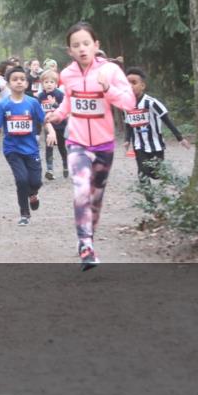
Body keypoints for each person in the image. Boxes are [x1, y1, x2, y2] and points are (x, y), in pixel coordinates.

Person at [46, 22, 136, 270]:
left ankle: (88, 238)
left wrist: (108, 88)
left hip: (104, 145)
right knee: (81, 189)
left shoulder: (110, 71)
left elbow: (129, 103)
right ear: (69, 51)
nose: (82, 49)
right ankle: (85, 245)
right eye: (76, 45)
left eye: (86, 43)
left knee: (95, 198)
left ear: (96, 45)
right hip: (77, 142)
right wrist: (58, 114)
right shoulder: (67, 74)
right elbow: (69, 101)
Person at [0, 67, 56, 226]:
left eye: (22, 79)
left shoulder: (33, 103)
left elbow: (44, 121)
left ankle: (33, 193)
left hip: (31, 149)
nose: (19, 82)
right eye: (15, 79)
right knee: (21, 180)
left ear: (26, 83)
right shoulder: (3, 104)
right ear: (8, 84)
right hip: (12, 149)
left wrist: (51, 132)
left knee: (36, 182)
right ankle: (24, 214)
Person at [123, 67, 191, 184]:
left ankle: (176, 180)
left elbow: (166, 120)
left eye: (134, 83)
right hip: (139, 145)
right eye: (127, 83)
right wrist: (127, 140)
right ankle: (148, 195)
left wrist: (180, 138)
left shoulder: (151, 102)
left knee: (156, 174)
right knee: (142, 173)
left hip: (156, 145)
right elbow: (129, 123)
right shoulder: (125, 104)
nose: (130, 86)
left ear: (142, 86)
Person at [37, 69, 69, 180]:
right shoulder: (41, 96)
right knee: (49, 147)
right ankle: (49, 170)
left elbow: (64, 109)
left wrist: (54, 104)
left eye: (52, 82)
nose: (49, 84)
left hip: (60, 126)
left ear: (56, 84)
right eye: (46, 82)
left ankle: (66, 165)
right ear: (42, 84)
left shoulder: (60, 94)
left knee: (61, 147)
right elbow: (38, 111)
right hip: (48, 127)